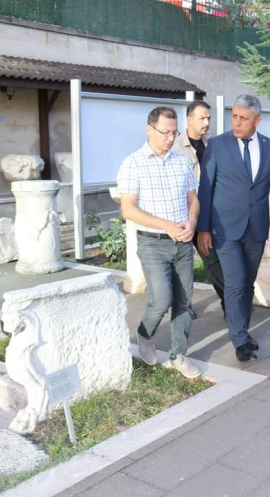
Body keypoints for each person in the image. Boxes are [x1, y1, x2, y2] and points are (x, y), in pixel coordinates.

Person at [197, 95, 270, 362]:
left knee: (248, 283)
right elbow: (206, 188)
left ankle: (243, 332)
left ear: (257, 120)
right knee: (235, 282)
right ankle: (239, 340)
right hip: (224, 229)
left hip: (256, 228)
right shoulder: (217, 145)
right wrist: (203, 228)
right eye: (234, 116)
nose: (236, 122)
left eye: (243, 118)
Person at [116, 106, 201, 379]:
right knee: (162, 299)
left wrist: (192, 222)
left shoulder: (181, 161)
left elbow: (193, 199)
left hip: (183, 243)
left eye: (174, 133)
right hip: (152, 244)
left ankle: (179, 355)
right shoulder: (133, 163)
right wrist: (167, 226)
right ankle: (145, 333)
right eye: (165, 132)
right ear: (149, 129)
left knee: (184, 301)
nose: (170, 138)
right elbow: (128, 209)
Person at [172, 100, 227, 317]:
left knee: (215, 260)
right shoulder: (176, 147)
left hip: (211, 212)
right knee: (181, 265)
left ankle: (230, 304)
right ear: (189, 119)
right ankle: (182, 308)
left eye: (208, 118)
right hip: (184, 214)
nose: (206, 123)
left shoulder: (212, 144)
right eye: (202, 118)